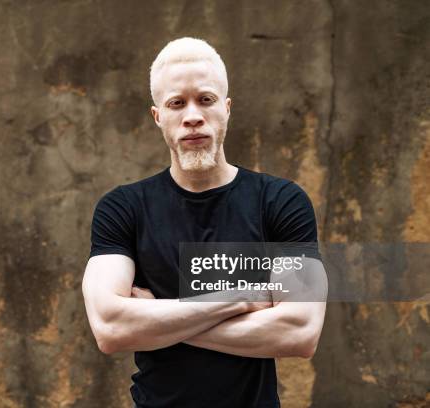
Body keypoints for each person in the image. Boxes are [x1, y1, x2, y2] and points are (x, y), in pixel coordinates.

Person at [82, 37, 328, 408]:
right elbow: (110, 329)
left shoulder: (280, 202)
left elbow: (301, 331)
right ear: (157, 116)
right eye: (177, 103)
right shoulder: (124, 208)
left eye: (206, 99)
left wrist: (159, 319)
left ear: (226, 109)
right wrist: (239, 298)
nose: (192, 115)